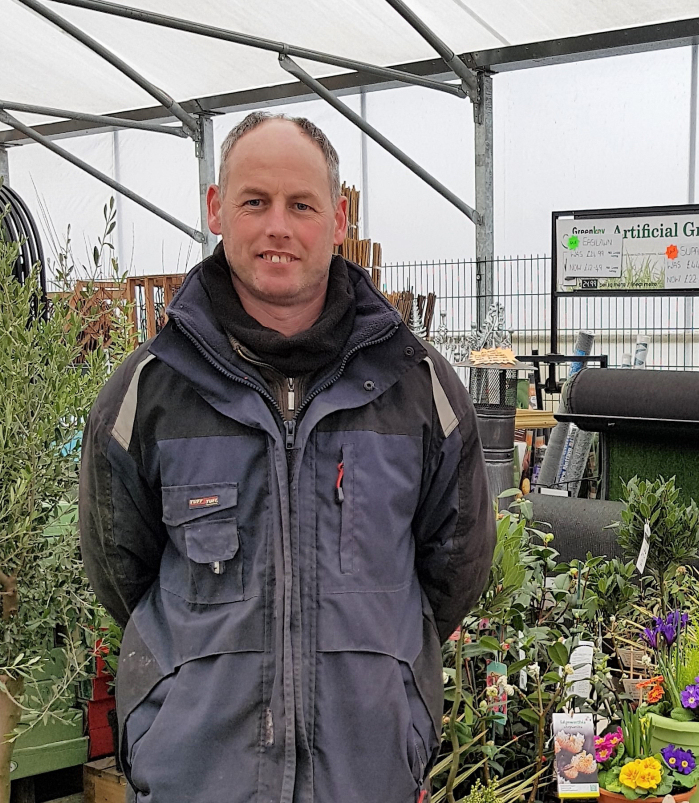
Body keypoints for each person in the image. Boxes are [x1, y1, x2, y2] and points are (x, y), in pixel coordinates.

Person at [79, 111, 495, 803]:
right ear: (217, 209)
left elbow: (457, 567)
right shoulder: (148, 392)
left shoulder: (418, 388)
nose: (278, 226)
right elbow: (120, 569)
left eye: (301, 204)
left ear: (338, 218)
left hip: (368, 775)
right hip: (195, 779)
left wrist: (390, 682)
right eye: (255, 202)